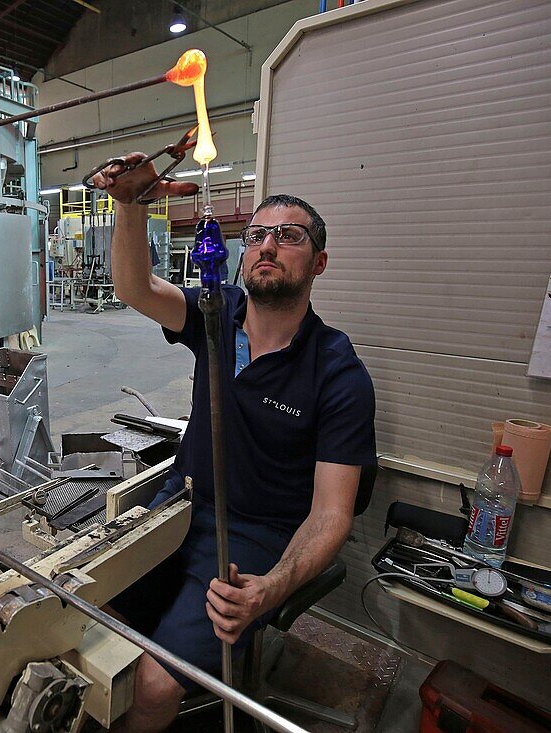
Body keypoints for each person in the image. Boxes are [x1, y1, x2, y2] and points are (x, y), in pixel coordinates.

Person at [91, 155, 376, 732]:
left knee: (150, 679)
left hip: (254, 535)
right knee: (89, 629)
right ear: (242, 255)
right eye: (258, 235)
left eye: (290, 236)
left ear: (318, 262)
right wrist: (129, 205)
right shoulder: (216, 313)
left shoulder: (337, 373)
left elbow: (330, 513)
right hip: (177, 504)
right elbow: (135, 286)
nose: (269, 245)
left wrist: (272, 587)